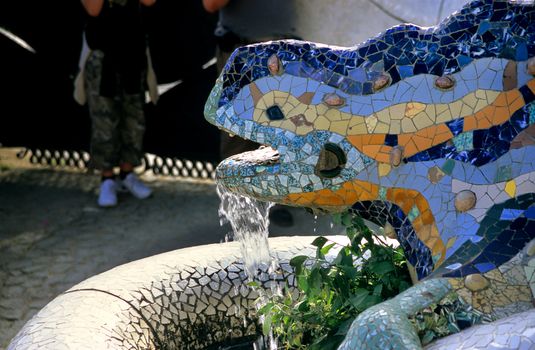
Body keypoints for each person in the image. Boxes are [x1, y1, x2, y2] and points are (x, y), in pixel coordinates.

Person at [202, 0, 299, 226]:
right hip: (240, 52)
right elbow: (211, 5)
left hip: (285, 51)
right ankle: (236, 206)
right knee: (236, 130)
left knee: (283, 128)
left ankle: (278, 201)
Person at [77, 0, 158, 207]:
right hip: (102, 57)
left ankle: (127, 173)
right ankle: (107, 178)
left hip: (133, 53)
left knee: (134, 120)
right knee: (104, 123)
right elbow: (93, 9)